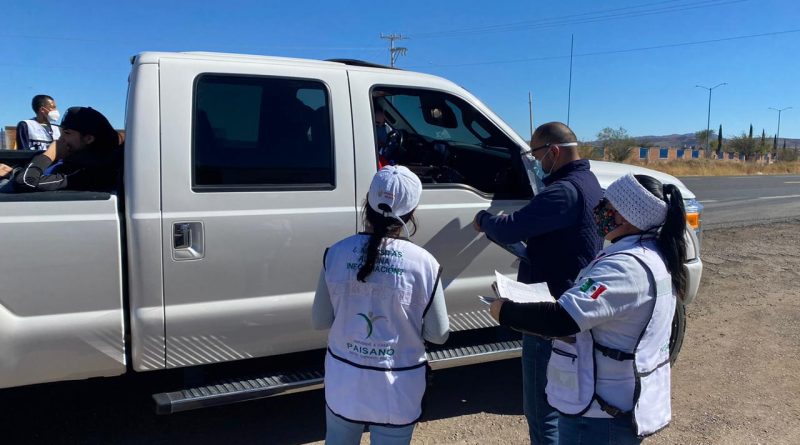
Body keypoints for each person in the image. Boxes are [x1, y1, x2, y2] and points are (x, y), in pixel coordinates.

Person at [489, 173, 687, 444]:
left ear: (625, 216)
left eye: (606, 205)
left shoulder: (624, 267)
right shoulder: (652, 254)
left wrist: (505, 311)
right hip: (616, 404)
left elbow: (562, 319)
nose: (598, 211)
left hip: (599, 417)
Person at [472, 121, 603, 444]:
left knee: (542, 412)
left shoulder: (562, 192)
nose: (534, 161)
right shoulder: (588, 182)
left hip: (548, 314)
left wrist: (484, 220)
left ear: (553, 152)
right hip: (571, 305)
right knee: (566, 406)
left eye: (535, 154)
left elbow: (510, 228)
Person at [312, 165, 449, 445]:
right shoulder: (425, 263)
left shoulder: (336, 253)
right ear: (412, 213)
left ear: (368, 203)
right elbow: (438, 334)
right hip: (397, 388)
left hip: (344, 381)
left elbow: (320, 320)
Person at [0, 106, 123, 193]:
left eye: (67, 133)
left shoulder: (90, 172)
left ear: (88, 138)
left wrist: (49, 154)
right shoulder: (73, 158)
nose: (60, 139)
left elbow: (26, 183)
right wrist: (14, 172)